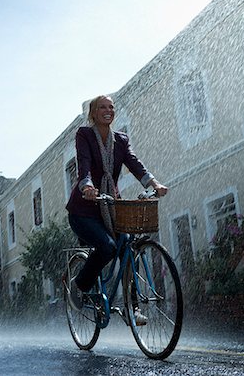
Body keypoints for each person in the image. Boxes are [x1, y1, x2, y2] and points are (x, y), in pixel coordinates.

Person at [66, 95, 168, 323]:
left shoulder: (121, 140)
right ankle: (79, 284)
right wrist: (88, 185)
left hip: (111, 206)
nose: (108, 110)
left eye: (111, 107)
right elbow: (83, 164)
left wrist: (154, 183)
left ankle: (132, 307)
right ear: (93, 113)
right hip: (83, 209)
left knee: (128, 249)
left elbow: (133, 162)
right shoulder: (84, 134)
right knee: (108, 247)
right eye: (103, 107)